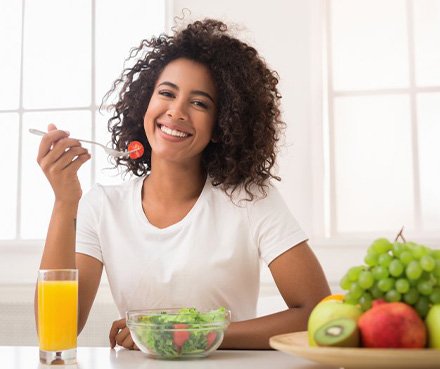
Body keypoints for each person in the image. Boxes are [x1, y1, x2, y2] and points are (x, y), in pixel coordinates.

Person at [34, 18, 330, 350]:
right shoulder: (102, 207)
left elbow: (316, 312)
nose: (176, 111)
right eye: (167, 93)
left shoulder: (250, 200)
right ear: (146, 102)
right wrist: (64, 201)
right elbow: (56, 330)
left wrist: (190, 334)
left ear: (222, 125)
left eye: (199, 102)